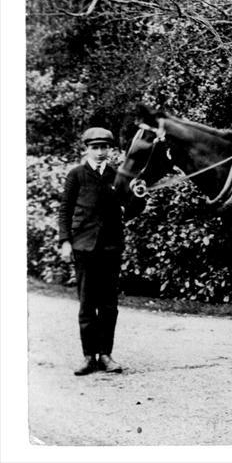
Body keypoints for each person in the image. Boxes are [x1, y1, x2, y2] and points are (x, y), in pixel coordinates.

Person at [58, 127, 135, 376]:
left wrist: (139, 194)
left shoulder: (118, 176)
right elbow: (65, 211)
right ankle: (88, 357)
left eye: (104, 147)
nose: (100, 152)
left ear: (110, 150)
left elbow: (133, 206)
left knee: (109, 306)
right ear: (87, 149)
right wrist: (65, 241)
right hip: (84, 248)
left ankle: (106, 355)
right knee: (87, 305)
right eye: (95, 147)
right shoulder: (76, 175)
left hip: (111, 248)